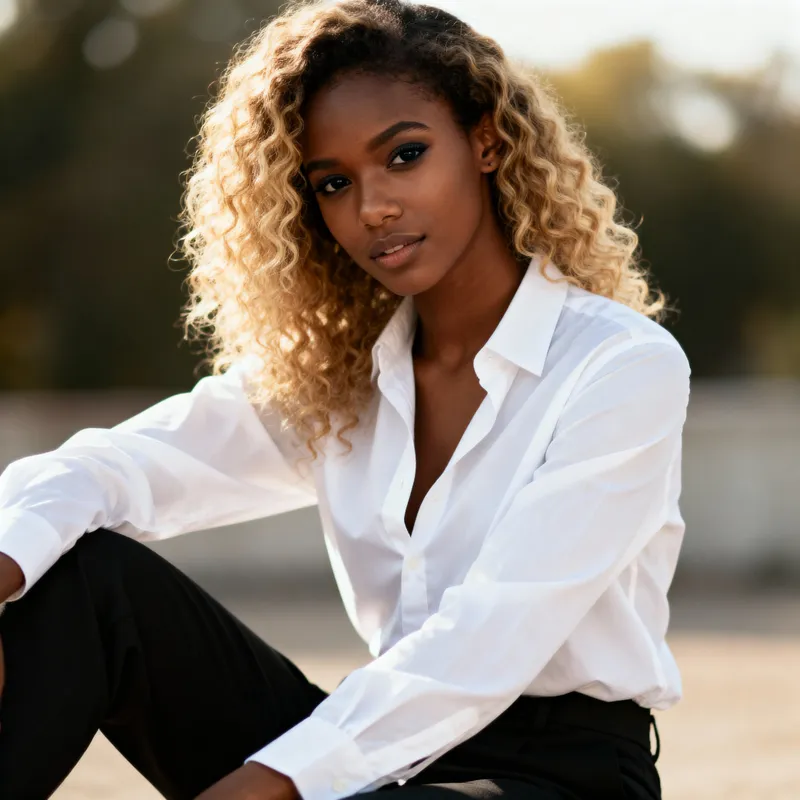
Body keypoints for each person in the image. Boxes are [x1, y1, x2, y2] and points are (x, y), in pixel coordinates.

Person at [0, 0, 691, 798]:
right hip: (393, 763)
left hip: (560, 777)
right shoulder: (339, 378)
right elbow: (118, 467)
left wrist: (269, 784)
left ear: (488, 141)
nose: (373, 208)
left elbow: (487, 643)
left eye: (404, 155)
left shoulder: (619, 366)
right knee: (84, 580)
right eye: (333, 183)